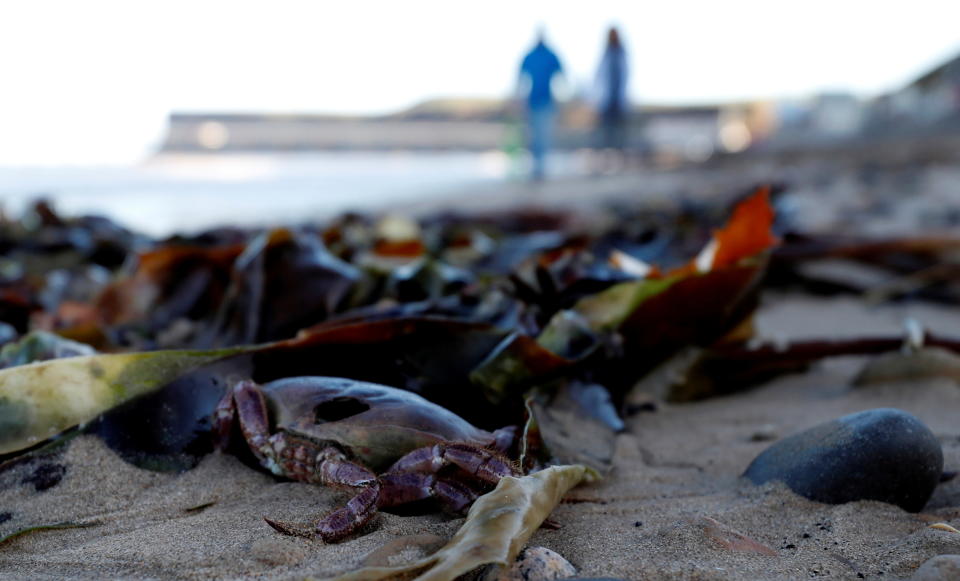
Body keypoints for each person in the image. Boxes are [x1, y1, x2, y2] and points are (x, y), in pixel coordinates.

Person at [518, 31, 564, 181]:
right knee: (534, 136)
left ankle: (541, 167)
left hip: (546, 100)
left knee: (543, 135)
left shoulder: (550, 55)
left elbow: (561, 75)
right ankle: (536, 167)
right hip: (533, 100)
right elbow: (521, 78)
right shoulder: (531, 55)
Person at [594, 26, 629, 153]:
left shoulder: (622, 53)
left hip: (618, 100)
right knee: (606, 130)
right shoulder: (606, 54)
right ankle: (607, 153)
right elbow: (599, 76)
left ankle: (619, 152)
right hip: (607, 100)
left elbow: (626, 75)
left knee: (619, 130)